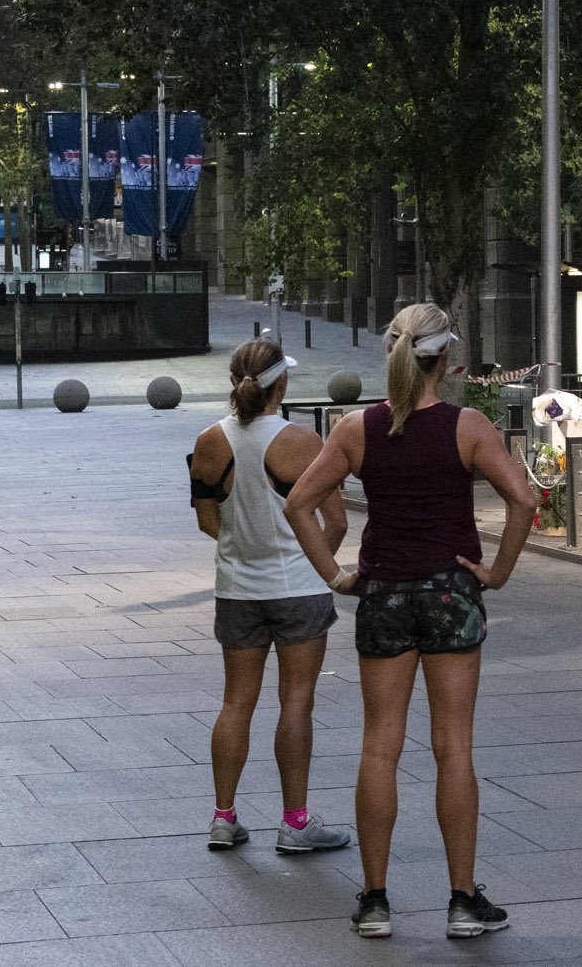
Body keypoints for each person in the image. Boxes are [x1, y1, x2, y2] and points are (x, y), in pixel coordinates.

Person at [284, 303, 537, 941]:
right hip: (452, 594)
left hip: (385, 597)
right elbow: (525, 498)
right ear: (446, 361)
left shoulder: (356, 429)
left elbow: (298, 504)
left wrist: (336, 576)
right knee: (453, 746)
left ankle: (374, 900)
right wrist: (498, 572)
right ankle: (461, 899)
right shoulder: (468, 425)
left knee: (380, 745)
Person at [188, 339, 352, 854]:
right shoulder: (303, 442)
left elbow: (207, 520)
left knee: (236, 701)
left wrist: (246, 547)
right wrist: (306, 563)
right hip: (298, 589)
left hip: (236, 589)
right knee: (296, 701)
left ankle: (223, 817)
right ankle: (296, 822)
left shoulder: (209, 441)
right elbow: (338, 522)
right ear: (281, 384)